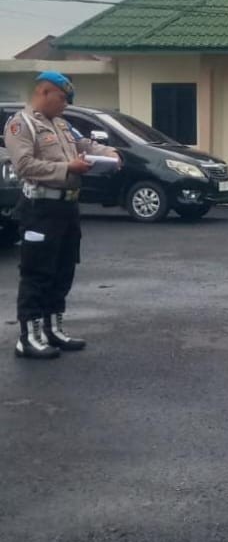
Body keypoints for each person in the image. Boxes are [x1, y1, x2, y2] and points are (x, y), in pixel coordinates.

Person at [6, 71, 119, 359]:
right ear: (44, 92)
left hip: (67, 208)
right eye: (62, 98)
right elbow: (25, 166)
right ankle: (28, 338)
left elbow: (86, 146)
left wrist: (111, 153)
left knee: (63, 271)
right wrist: (67, 168)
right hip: (40, 209)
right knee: (37, 273)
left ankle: (52, 329)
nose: (65, 104)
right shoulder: (22, 124)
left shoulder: (62, 124)